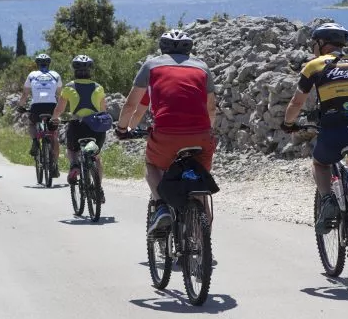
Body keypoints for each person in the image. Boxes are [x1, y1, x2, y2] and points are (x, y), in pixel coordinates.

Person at [280, 22, 348, 233]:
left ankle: (327, 200)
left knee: (320, 164)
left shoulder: (314, 66)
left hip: (333, 131)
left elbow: (297, 103)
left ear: (321, 43)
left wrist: (288, 124)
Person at [116, 29, 216, 234]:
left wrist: (121, 129)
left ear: (162, 47)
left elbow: (130, 106)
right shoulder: (202, 68)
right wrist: (207, 130)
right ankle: (201, 239)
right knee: (199, 180)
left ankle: (161, 206)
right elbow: (211, 108)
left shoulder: (151, 65)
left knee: (152, 165)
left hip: (166, 135)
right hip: (201, 135)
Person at [51, 54, 111, 198]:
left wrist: (54, 119)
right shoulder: (99, 87)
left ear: (74, 70)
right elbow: (104, 110)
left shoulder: (69, 87)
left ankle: (74, 166)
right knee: (96, 157)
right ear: (90, 71)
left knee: (71, 150)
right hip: (96, 128)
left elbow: (59, 109)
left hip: (77, 126)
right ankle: (98, 188)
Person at [16, 53, 62, 178]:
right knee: (54, 136)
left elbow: (25, 94)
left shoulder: (32, 75)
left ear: (37, 64)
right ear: (49, 64)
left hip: (36, 107)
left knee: (32, 123)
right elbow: (60, 95)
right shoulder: (55, 75)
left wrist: (20, 107)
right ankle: (55, 165)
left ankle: (35, 141)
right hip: (52, 107)